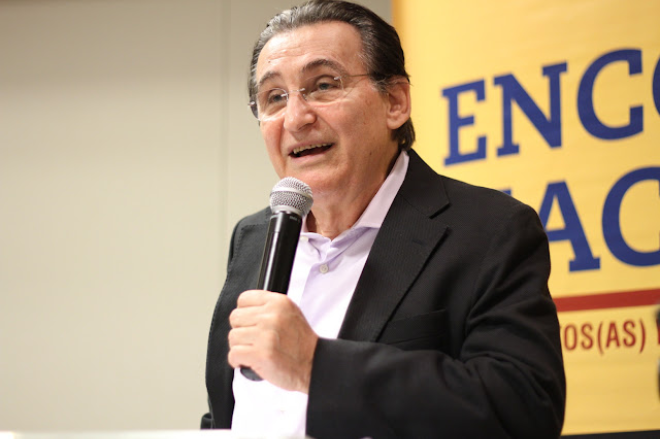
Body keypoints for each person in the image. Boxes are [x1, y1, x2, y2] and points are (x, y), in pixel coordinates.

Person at [202, 1, 566, 437]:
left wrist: (317, 366)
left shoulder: (489, 232)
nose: (296, 118)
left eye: (324, 85)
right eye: (275, 97)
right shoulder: (255, 236)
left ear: (395, 102)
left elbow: (523, 409)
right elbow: (233, 410)